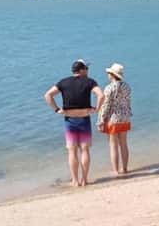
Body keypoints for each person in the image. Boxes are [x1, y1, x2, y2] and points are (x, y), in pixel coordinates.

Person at [44, 59, 105, 187]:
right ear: (82, 70)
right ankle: (84, 179)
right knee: (85, 150)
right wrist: (97, 109)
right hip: (84, 118)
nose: (88, 71)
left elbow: (48, 95)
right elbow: (101, 95)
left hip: (69, 119)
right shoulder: (90, 81)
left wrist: (57, 109)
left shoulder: (63, 82)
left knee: (72, 151)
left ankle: (75, 180)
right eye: (87, 68)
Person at [97, 62, 132, 176]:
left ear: (112, 75)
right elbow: (127, 101)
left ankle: (116, 170)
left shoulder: (109, 88)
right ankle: (125, 168)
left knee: (113, 145)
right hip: (125, 117)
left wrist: (101, 120)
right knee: (124, 144)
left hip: (113, 118)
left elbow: (106, 105)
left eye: (109, 73)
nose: (108, 74)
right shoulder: (126, 86)